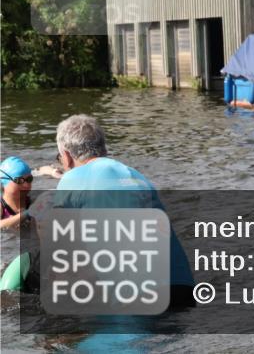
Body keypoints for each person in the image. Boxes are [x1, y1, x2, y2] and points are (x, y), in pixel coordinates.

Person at [49, 114, 195, 307]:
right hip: (181, 288)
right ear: (104, 148)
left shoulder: (72, 179)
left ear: (66, 157)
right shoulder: (136, 176)